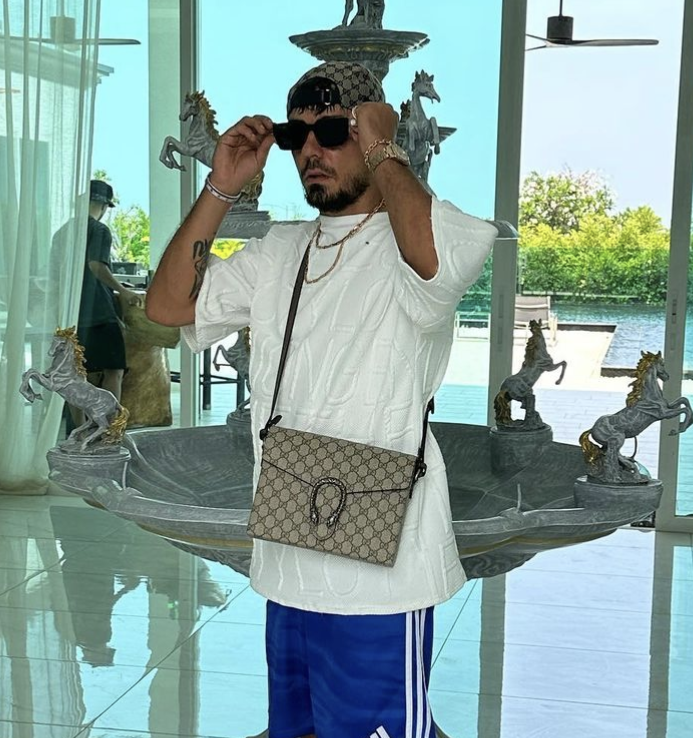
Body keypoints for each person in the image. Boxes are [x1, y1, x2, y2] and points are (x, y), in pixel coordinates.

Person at [146, 61, 496, 738]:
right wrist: (221, 185)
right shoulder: (280, 251)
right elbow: (167, 306)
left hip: (382, 572)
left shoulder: (414, 241)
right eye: (294, 135)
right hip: (291, 552)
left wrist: (385, 143)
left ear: (368, 132)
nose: (311, 148)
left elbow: (439, 263)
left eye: (332, 131)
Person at [57, 179, 142, 409]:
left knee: (77, 374)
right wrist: (123, 290)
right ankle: (109, 424)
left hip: (70, 314)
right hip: (99, 313)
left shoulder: (62, 233)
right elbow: (96, 265)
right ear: (104, 206)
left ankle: (78, 425)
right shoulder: (99, 230)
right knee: (114, 370)